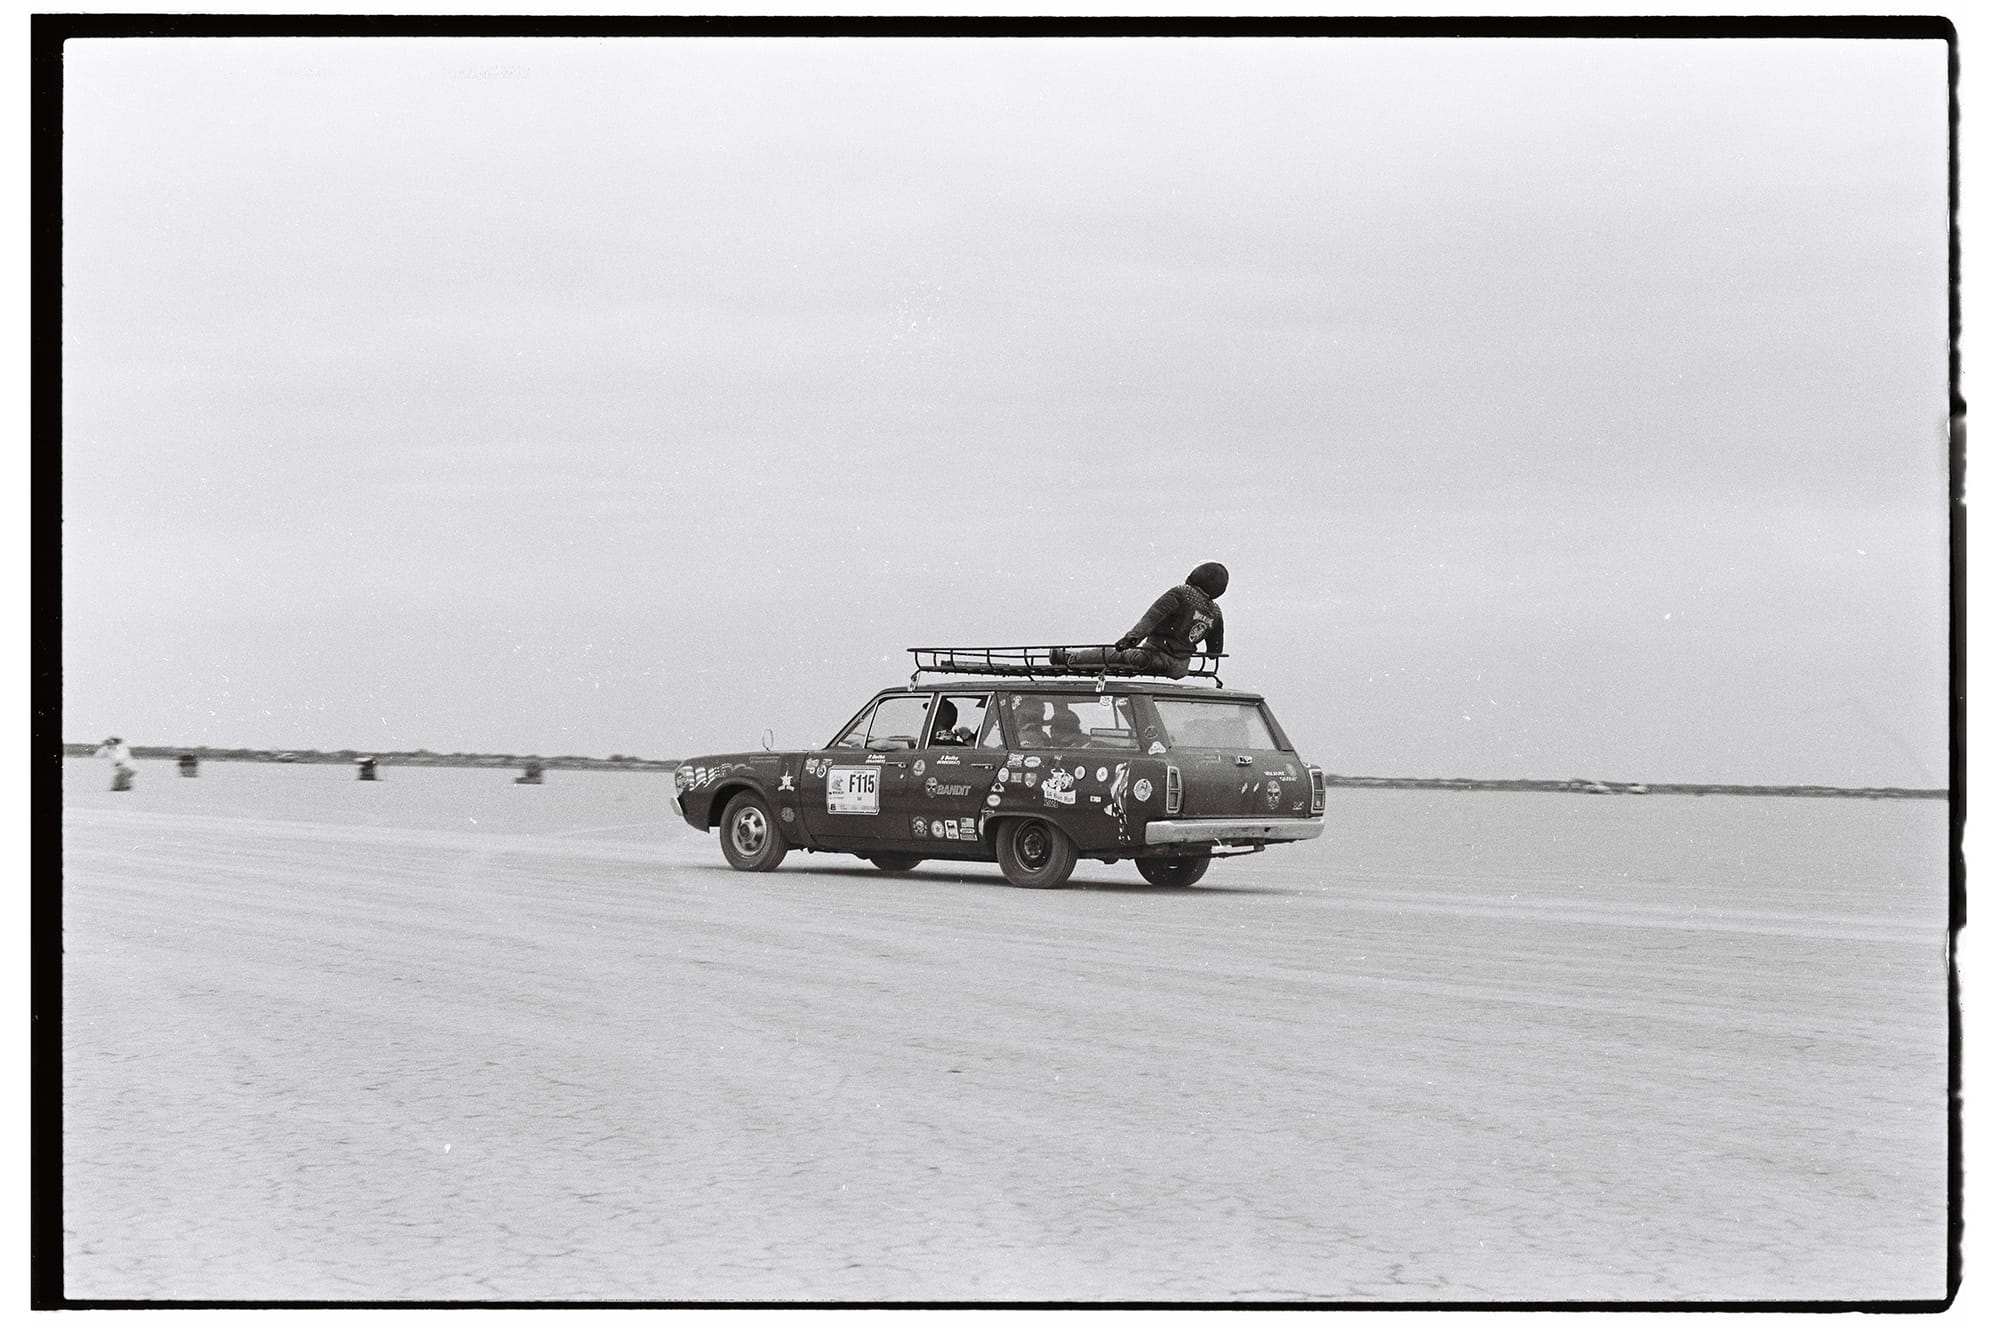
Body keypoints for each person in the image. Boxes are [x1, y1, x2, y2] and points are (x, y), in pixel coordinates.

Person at [1057, 562, 1228, 678]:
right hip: (1180, 668)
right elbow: (1214, 652)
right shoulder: (1216, 612)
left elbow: (1152, 618)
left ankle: (1072, 658)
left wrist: (1130, 640)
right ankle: (1073, 658)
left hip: (1153, 658)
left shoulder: (1182, 593)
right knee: (1125, 656)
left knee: (1113, 655)